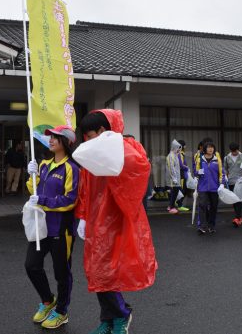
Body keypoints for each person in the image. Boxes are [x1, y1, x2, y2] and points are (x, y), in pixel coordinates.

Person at [75, 109, 157, 334]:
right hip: (97, 221)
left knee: (108, 271)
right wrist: (83, 215)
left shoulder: (127, 146)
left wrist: (114, 146)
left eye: (90, 135)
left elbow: (140, 169)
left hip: (117, 220)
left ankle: (121, 315)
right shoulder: (92, 152)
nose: (87, 140)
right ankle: (109, 318)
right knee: (97, 271)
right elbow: (85, 187)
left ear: (102, 130)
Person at [24, 125, 80, 329]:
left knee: (61, 273)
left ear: (66, 142)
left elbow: (70, 200)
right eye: (50, 137)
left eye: (55, 137)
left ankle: (62, 311)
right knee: (31, 265)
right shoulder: (44, 164)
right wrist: (32, 177)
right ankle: (48, 300)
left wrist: (44, 200)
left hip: (61, 229)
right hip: (41, 227)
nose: (51, 140)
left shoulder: (71, 168)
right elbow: (35, 191)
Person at [194, 142, 227, 234]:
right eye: (208, 147)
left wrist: (222, 184)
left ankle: (211, 226)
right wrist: (198, 174)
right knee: (202, 206)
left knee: (213, 207)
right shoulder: (200, 159)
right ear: (205, 149)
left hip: (214, 188)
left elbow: (222, 173)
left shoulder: (217, 160)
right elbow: (195, 172)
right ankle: (202, 226)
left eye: (212, 147)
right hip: (202, 187)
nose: (210, 149)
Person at [224, 142, 242, 227]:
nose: (234, 153)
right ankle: (238, 217)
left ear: (238, 149)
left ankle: (237, 217)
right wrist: (225, 177)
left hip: (240, 181)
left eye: (235, 151)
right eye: (232, 151)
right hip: (231, 181)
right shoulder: (226, 158)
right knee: (233, 199)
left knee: (239, 199)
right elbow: (225, 169)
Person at [166, 139, 187, 214]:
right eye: (178, 148)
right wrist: (174, 178)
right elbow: (171, 167)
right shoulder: (171, 156)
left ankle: (171, 206)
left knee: (175, 193)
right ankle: (171, 207)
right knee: (174, 193)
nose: (179, 150)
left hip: (176, 178)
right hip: (173, 179)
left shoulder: (174, 155)